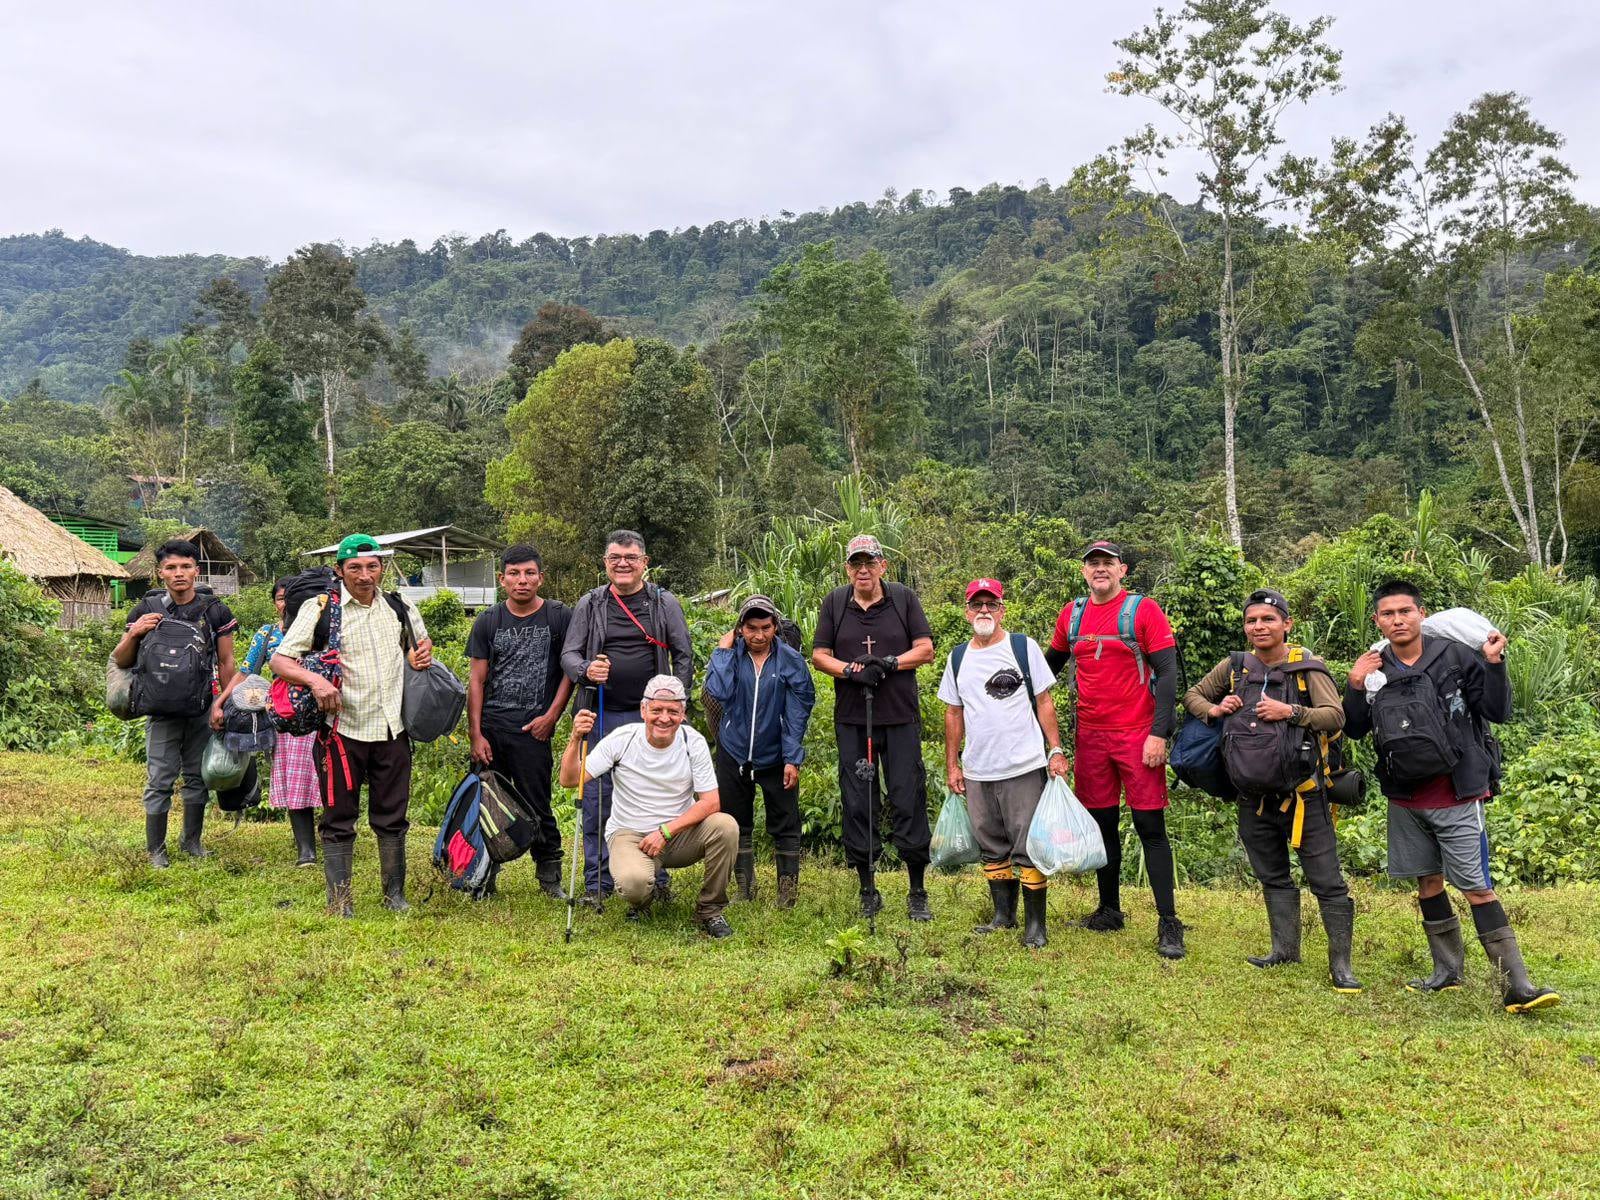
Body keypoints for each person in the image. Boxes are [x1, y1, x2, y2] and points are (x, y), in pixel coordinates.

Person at [1343, 580, 1559, 1014]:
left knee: (1478, 887)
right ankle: (1447, 973)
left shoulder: (1457, 656)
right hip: (1404, 795)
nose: (1397, 620)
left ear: (1421, 614)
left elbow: (1498, 712)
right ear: (1377, 621)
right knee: (1427, 880)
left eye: (1405, 611)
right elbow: (1355, 729)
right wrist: (1353, 683)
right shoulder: (1374, 665)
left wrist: (1494, 665)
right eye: (1388, 614)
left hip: (1458, 793)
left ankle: (1518, 985)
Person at [1182, 589, 1361, 991]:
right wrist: (1214, 708)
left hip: (1304, 793)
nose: (1259, 627)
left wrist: (1292, 712)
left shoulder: (1306, 667)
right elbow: (1193, 694)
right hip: (1252, 795)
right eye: (1252, 621)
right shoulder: (1235, 667)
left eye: (1268, 620)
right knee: (1273, 876)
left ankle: (1341, 965)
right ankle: (1284, 949)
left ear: (1286, 624)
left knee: (1327, 880)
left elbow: (1336, 718)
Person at [272, 534, 433, 917]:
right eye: (355, 568)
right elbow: (281, 661)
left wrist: (420, 656)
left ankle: (394, 894)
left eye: (372, 566)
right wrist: (316, 681)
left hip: (393, 728)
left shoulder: (399, 604)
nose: (364, 575)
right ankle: (340, 900)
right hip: (340, 729)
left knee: (392, 815)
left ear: (381, 568)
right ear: (339, 570)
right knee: (339, 817)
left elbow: (417, 650)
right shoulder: (322, 608)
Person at [1044, 540, 1186, 959]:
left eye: (1107, 563)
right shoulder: (1072, 615)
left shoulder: (1143, 611)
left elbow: (1167, 672)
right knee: (1101, 825)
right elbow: (1047, 668)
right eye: (1093, 564)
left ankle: (1169, 922)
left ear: (1122, 570)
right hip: (1091, 736)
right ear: (1084, 571)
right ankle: (1109, 909)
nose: (1099, 569)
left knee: (1150, 828)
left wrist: (1159, 734)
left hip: (1138, 734)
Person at [560, 530, 693, 902]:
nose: (623, 563)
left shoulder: (664, 603)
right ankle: (597, 884)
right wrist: (587, 669)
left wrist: (674, 704)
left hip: (653, 721)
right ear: (605, 563)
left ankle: (656, 881)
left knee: (656, 798)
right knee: (596, 797)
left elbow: (684, 655)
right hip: (600, 713)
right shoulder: (591, 603)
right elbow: (569, 655)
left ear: (644, 562)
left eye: (631, 557)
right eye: (615, 557)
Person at [938, 579, 1070, 948]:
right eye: (976, 604)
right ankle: (1002, 916)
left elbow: (1044, 702)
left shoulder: (1022, 648)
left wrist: (1055, 750)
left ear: (1002, 610)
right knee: (991, 843)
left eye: (991, 604)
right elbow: (953, 712)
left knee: (1027, 844)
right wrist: (953, 765)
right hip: (979, 769)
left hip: (1023, 766)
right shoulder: (958, 657)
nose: (984, 610)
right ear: (966, 612)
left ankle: (1035, 925)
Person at [812, 533, 937, 920]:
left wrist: (890, 664)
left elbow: (926, 649)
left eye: (870, 563)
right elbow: (819, 656)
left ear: (883, 566)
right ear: (848, 568)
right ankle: (868, 888)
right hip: (853, 719)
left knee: (907, 797)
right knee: (858, 800)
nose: (863, 570)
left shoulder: (903, 599)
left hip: (899, 717)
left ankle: (917, 890)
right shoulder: (835, 602)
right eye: (855, 563)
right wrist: (851, 672)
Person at [558, 676, 738, 938]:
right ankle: (643, 901)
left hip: (678, 835)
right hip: (630, 834)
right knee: (634, 884)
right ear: (643, 711)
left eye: (672, 711)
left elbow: (711, 802)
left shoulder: (692, 742)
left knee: (726, 826)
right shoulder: (622, 739)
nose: (664, 718)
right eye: (657, 710)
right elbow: (570, 779)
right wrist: (575, 737)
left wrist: (666, 831)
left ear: (683, 713)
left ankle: (710, 909)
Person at [112, 538, 239, 867]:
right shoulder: (145, 609)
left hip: (202, 706)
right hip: (160, 708)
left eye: (185, 566)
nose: (179, 573)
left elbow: (226, 662)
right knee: (160, 779)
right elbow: (123, 660)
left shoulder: (215, 610)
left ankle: (191, 841)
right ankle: (156, 850)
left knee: (198, 776)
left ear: (196, 571)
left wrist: (223, 704)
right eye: (171, 567)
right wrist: (134, 633)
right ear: (160, 573)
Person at [467, 544, 574, 899]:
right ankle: (483, 874)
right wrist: (476, 734)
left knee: (537, 803)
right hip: (493, 730)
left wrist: (552, 716)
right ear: (502, 579)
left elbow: (569, 673)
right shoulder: (488, 621)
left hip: (533, 731)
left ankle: (549, 876)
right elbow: (476, 681)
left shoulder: (559, 617)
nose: (522, 580)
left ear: (541, 577)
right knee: (486, 804)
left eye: (529, 573)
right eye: (514, 574)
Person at [704, 594, 817, 907]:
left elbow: (799, 709)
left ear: (775, 627)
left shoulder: (790, 660)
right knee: (736, 822)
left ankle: (787, 893)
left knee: (785, 821)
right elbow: (719, 691)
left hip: (775, 753)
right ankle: (744, 889)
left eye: (765, 627)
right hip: (734, 751)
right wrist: (723, 651)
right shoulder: (730, 655)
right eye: (751, 627)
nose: (758, 635)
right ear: (740, 628)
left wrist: (793, 757)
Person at [243, 577, 320, 867]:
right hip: (289, 715)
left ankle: (336, 835)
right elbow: (247, 671)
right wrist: (222, 702)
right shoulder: (268, 633)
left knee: (331, 776)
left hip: (329, 710)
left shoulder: (324, 629)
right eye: (280, 598)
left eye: (291, 597)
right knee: (296, 778)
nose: (285, 604)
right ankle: (306, 849)